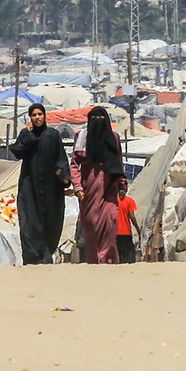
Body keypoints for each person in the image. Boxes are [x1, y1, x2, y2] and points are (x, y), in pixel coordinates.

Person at [9, 103, 71, 265]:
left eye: (40, 114)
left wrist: (64, 176)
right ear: (30, 117)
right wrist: (28, 135)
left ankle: (45, 254)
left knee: (50, 221)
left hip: (51, 189)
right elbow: (17, 151)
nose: (37, 118)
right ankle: (31, 258)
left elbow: (61, 158)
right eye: (34, 115)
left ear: (45, 116)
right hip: (29, 186)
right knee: (29, 222)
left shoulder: (52, 135)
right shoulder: (26, 134)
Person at [74, 107, 126, 264]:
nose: (98, 122)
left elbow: (118, 161)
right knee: (91, 226)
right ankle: (94, 262)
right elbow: (75, 163)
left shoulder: (114, 137)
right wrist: (77, 186)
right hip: (89, 189)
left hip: (109, 187)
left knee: (110, 223)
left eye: (101, 119)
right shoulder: (82, 137)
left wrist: (122, 183)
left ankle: (108, 261)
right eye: (94, 119)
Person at [116, 187, 139, 264]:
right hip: (126, 232)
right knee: (129, 253)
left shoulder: (114, 201)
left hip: (116, 232)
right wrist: (138, 229)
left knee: (119, 252)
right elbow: (132, 216)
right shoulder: (130, 201)